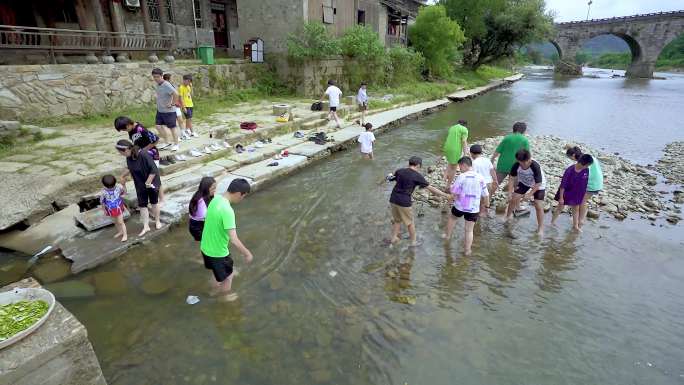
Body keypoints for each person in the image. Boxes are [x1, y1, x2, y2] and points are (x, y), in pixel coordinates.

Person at [200, 178, 254, 301]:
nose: (242, 199)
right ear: (239, 194)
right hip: (218, 253)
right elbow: (234, 239)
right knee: (228, 277)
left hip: (205, 247)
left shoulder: (216, 199)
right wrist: (247, 254)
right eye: (243, 196)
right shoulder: (228, 211)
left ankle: (213, 290)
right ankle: (225, 297)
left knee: (217, 272)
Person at [388, 156, 452, 246]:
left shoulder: (400, 171)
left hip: (393, 199)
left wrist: (382, 180)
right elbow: (431, 188)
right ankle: (413, 242)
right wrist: (445, 195)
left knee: (397, 220)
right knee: (410, 223)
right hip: (404, 202)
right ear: (418, 165)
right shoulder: (417, 176)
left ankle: (394, 238)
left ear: (409, 163)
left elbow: (391, 178)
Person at [443, 157, 489, 255]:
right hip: (473, 208)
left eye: (460, 166)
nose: (460, 169)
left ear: (464, 165)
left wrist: (451, 195)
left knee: (452, 218)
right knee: (469, 230)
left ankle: (447, 236)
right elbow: (486, 194)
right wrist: (487, 206)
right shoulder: (481, 177)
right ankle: (467, 250)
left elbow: (454, 191)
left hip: (461, 205)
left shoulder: (462, 176)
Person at [116, 139, 162, 236]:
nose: (121, 155)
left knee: (154, 202)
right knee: (142, 205)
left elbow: (154, 170)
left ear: (126, 150)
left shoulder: (143, 154)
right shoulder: (128, 157)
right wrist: (122, 176)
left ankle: (157, 221)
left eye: (121, 153)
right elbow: (130, 168)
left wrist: (148, 182)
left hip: (151, 181)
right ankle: (146, 226)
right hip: (140, 183)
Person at [506, 149, 546, 236]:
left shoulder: (535, 166)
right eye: (521, 162)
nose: (523, 165)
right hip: (525, 182)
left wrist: (530, 194)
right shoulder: (516, 165)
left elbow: (539, 183)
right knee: (514, 197)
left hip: (538, 184)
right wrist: (509, 192)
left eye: (525, 162)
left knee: (538, 205)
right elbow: (512, 178)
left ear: (529, 159)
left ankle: (540, 228)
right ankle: (508, 216)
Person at [552, 154, 593, 231]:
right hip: (566, 192)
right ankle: (552, 222)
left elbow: (585, 183)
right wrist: (561, 198)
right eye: (587, 165)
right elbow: (563, 185)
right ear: (582, 163)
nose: (587, 167)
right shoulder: (569, 170)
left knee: (576, 208)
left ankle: (575, 226)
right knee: (560, 207)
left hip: (577, 193)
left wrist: (582, 194)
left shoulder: (586, 170)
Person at [566, 146, 604, 225]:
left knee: (582, 201)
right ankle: (579, 218)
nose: (571, 159)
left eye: (570, 158)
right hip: (597, 181)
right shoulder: (588, 157)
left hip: (593, 183)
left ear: (573, 155)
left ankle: (581, 220)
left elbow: (583, 175)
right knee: (582, 200)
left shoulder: (583, 162)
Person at [152, 68, 180, 151]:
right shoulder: (158, 84)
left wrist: (172, 104)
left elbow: (176, 94)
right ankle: (167, 142)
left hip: (169, 111)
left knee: (172, 128)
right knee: (158, 126)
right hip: (160, 110)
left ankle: (176, 144)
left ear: (161, 76)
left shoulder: (166, 84)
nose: (155, 78)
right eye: (154, 77)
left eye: (157, 77)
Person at [469, 144, 497, 216]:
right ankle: (484, 212)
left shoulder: (474, 163)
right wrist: (495, 180)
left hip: (480, 184)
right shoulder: (487, 160)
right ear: (481, 152)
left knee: (479, 200)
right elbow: (492, 171)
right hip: (489, 183)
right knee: (485, 198)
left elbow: (474, 175)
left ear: (471, 153)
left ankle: (479, 214)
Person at [442, 119, 469, 189]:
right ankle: (448, 186)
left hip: (447, 147)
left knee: (450, 162)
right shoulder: (464, 129)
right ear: (465, 125)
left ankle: (444, 177)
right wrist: (465, 154)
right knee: (454, 167)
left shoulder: (452, 127)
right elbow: (464, 141)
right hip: (455, 149)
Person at [100, 174, 127, 242]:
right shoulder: (103, 192)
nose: (111, 188)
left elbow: (124, 192)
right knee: (115, 221)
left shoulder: (118, 187)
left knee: (121, 222)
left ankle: (125, 235)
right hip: (110, 209)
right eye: (109, 187)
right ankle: (120, 232)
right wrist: (104, 210)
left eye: (112, 186)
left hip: (118, 207)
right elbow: (102, 201)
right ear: (104, 185)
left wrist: (123, 185)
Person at [188, 176, 216, 241]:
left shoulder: (201, 193)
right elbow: (206, 216)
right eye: (213, 189)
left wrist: (223, 175)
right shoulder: (201, 201)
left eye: (215, 188)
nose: (215, 190)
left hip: (197, 223)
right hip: (197, 227)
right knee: (206, 243)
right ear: (206, 189)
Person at [163, 73, 186, 139]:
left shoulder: (172, 85)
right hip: (170, 106)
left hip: (176, 105)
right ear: (168, 79)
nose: (173, 78)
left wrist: (179, 103)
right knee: (173, 122)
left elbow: (176, 95)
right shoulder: (165, 86)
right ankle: (176, 137)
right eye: (171, 77)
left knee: (180, 120)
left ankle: (183, 133)